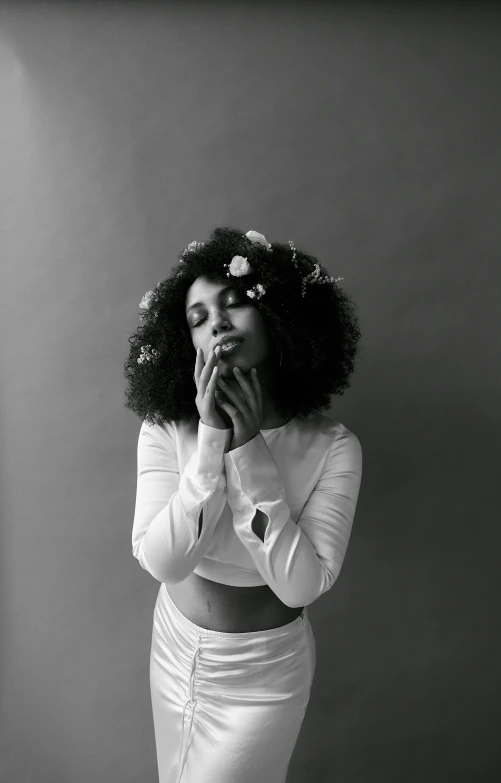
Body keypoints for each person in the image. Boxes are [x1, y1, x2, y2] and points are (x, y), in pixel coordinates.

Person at [124, 226, 363, 783]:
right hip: (174, 647)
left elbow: (301, 586)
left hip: (263, 676)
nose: (218, 324)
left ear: (279, 320)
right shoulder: (166, 429)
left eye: (234, 304)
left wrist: (250, 451)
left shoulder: (334, 448)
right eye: (198, 318)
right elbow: (164, 562)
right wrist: (211, 440)